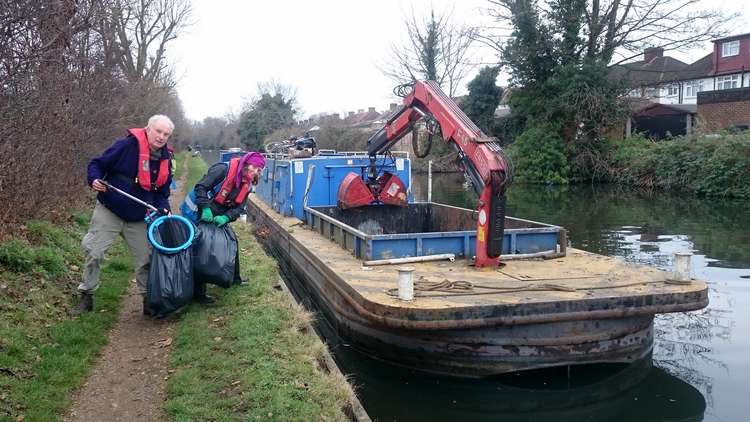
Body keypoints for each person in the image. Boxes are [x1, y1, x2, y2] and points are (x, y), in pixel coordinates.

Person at [74, 115, 174, 316]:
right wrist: (93, 180)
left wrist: (163, 207)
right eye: (158, 131)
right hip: (110, 209)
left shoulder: (166, 160)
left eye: (166, 134)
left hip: (138, 216)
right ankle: (86, 295)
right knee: (95, 252)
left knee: (146, 259)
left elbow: (161, 193)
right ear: (148, 129)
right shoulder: (126, 146)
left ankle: (148, 299)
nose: (161, 137)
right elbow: (97, 164)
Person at [189, 151, 265, 303]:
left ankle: (234, 278)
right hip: (198, 211)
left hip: (218, 215)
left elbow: (239, 208)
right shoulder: (222, 170)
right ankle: (199, 293)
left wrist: (227, 217)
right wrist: (204, 208)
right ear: (246, 164)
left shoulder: (247, 184)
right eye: (255, 168)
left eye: (259, 170)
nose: (257, 172)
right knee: (199, 248)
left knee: (232, 242)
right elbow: (201, 187)